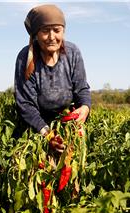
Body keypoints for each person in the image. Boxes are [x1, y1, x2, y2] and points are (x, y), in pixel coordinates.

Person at [14, 4, 91, 152]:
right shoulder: (26, 58)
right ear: (36, 34)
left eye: (57, 30)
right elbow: (25, 104)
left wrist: (85, 107)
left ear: (63, 31)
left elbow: (82, 88)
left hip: (68, 124)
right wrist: (48, 135)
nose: (51, 37)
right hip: (36, 128)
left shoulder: (72, 53)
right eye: (45, 31)